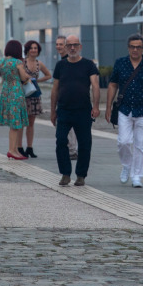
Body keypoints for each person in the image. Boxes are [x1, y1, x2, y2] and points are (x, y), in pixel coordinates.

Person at [105, 33, 143, 188]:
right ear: (128, 48)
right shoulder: (120, 63)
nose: (135, 50)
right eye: (132, 47)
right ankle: (126, 164)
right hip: (124, 109)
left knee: (140, 146)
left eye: (138, 47)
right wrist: (108, 106)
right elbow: (113, 85)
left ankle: (137, 176)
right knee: (123, 142)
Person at [51, 35, 100, 187]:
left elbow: (95, 85)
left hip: (83, 110)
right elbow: (55, 89)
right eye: (69, 45)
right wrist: (52, 111)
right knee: (60, 141)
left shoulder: (88, 64)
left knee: (84, 144)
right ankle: (65, 173)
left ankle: (81, 175)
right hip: (64, 110)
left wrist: (96, 106)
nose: (72, 48)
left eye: (75, 45)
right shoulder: (60, 65)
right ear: (66, 47)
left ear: (80, 47)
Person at [0, 40, 31, 160]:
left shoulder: (2, 62)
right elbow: (23, 77)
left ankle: (14, 149)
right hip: (16, 92)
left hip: (6, 91)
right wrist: (27, 76)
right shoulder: (17, 62)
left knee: (13, 123)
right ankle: (12, 150)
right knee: (15, 124)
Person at [22, 40, 52, 158]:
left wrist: (37, 81)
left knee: (31, 123)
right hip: (23, 94)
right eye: (31, 48)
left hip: (34, 94)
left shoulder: (39, 63)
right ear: (27, 50)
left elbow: (49, 75)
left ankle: (29, 147)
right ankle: (19, 147)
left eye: (35, 48)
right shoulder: (22, 62)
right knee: (22, 122)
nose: (33, 50)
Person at [54, 35, 78, 160]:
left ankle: (72, 150)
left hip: (71, 99)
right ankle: (71, 149)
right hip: (63, 98)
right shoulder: (61, 62)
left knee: (69, 127)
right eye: (57, 44)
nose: (58, 47)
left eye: (61, 44)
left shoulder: (69, 61)